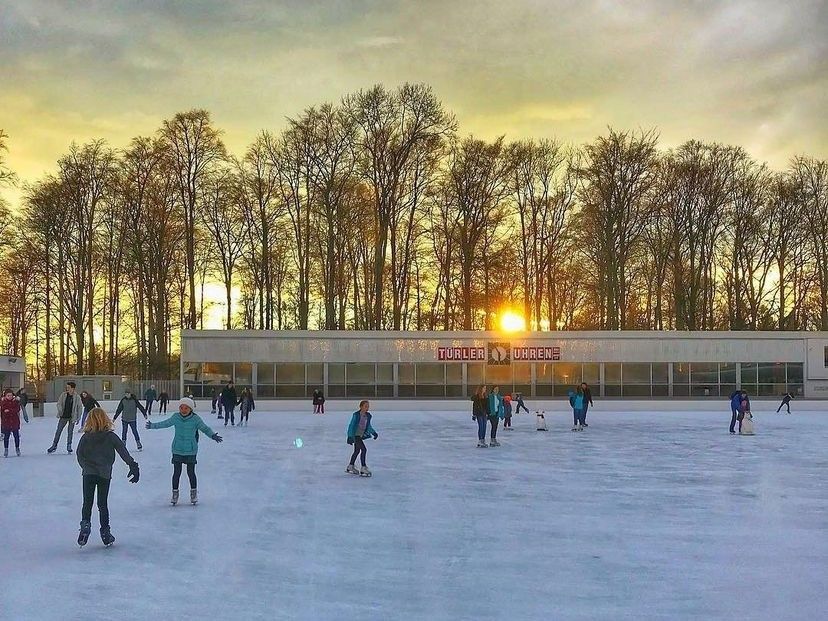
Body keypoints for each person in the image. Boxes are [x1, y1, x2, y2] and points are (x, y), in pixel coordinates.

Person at [75, 407, 139, 547]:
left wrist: (86, 467)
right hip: (104, 474)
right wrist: (133, 465)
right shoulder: (110, 436)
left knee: (87, 502)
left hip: (88, 474)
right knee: (102, 504)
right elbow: (123, 452)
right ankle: (105, 533)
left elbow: (79, 455)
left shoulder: (86, 437)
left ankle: (85, 525)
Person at [146, 397, 222, 505]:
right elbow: (165, 423)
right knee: (177, 473)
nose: (183, 410)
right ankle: (175, 494)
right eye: (181, 407)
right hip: (177, 449)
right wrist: (152, 426)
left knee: (191, 472)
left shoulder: (196, 419)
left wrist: (213, 435)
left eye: (186, 408)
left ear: (190, 409)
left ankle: (193, 493)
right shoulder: (176, 417)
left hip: (191, 450)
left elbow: (205, 428)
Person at [48, 381, 82, 454]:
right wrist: (60, 411)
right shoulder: (63, 395)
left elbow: (79, 407)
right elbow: (59, 403)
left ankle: (69, 446)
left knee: (70, 432)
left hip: (72, 417)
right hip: (63, 417)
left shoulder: (77, 397)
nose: (67, 389)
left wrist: (78, 418)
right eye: (66, 387)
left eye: (68, 387)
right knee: (58, 431)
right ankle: (54, 445)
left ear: (73, 388)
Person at [346, 400, 378, 477]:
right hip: (356, 435)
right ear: (361, 407)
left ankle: (351, 465)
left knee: (357, 451)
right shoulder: (356, 415)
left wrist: (373, 432)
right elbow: (351, 426)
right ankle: (363, 467)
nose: (367, 408)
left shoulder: (368, 416)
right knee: (364, 449)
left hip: (360, 436)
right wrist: (350, 436)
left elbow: (368, 426)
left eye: (368, 406)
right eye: (365, 406)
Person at [2, 388, 22, 457]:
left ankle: (17, 448)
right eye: (8, 396)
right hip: (6, 422)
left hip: (14, 422)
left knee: (16, 436)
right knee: (6, 437)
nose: (9, 397)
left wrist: (9, 410)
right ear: (5, 396)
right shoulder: (3, 402)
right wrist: (9, 411)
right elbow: (3, 410)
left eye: (11, 395)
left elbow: (17, 409)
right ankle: (6, 449)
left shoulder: (15, 402)